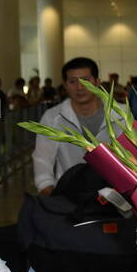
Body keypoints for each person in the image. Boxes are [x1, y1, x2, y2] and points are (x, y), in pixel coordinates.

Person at [33, 57, 109, 197]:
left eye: (86, 80)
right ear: (65, 85)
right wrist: (52, 195)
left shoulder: (119, 115)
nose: (80, 87)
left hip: (116, 197)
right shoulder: (52, 118)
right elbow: (42, 161)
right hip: (70, 196)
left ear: (97, 82)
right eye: (73, 82)